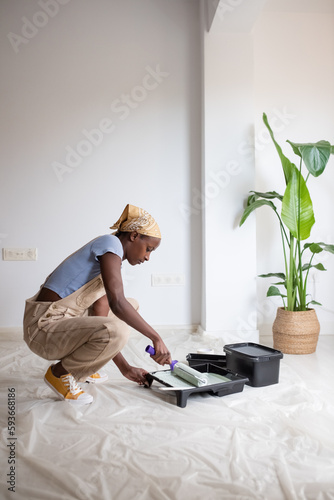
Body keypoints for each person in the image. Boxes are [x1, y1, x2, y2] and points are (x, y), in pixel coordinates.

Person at [23, 204, 172, 405]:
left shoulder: (111, 262)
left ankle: (85, 367)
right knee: (118, 324)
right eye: (149, 249)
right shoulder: (110, 244)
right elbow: (117, 304)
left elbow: (100, 314)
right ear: (134, 236)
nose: (147, 257)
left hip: (65, 321)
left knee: (130, 306)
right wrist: (156, 337)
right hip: (43, 328)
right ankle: (59, 374)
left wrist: (126, 369)